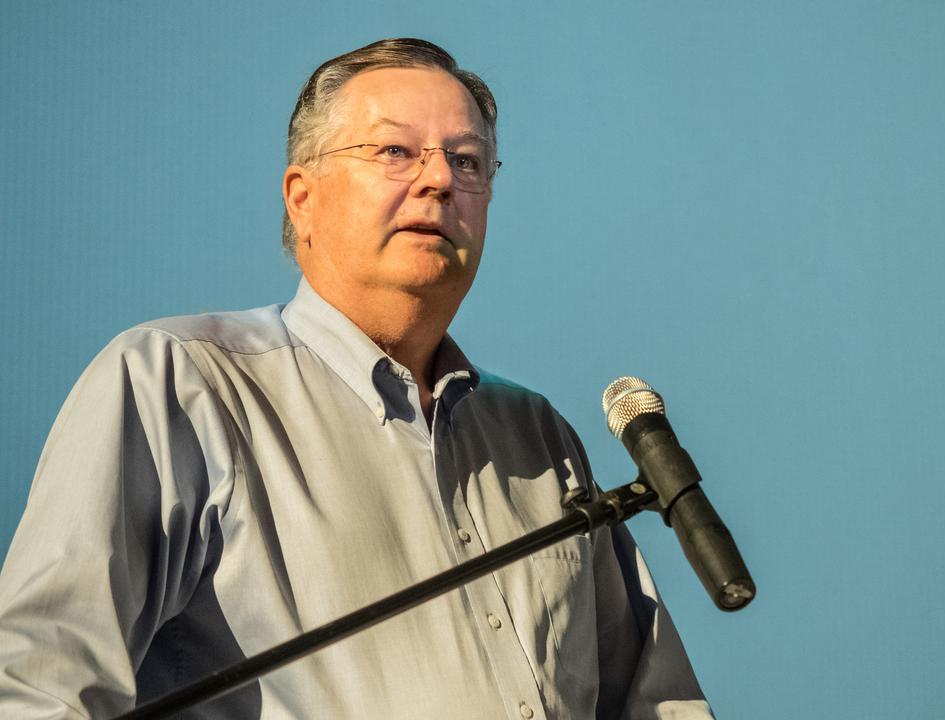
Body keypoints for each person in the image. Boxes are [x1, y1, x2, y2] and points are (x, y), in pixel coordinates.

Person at [0, 38, 711, 719]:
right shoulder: (183, 384)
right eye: (396, 152)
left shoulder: (536, 436)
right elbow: (41, 681)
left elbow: (657, 704)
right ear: (301, 198)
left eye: (467, 162)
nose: (438, 180)